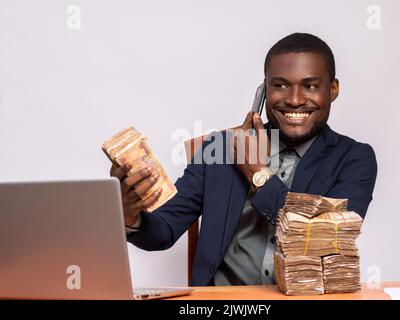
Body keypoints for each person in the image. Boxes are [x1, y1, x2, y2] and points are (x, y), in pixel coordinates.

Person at [110, 33, 378, 286]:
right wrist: (130, 215)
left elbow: (325, 236)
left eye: (310, 86)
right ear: (263, 92)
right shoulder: (219, 149)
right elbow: (164, 230)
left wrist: (257, 174)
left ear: (332, 90)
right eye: (280, 85)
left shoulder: (354, 158)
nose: (295, 100)